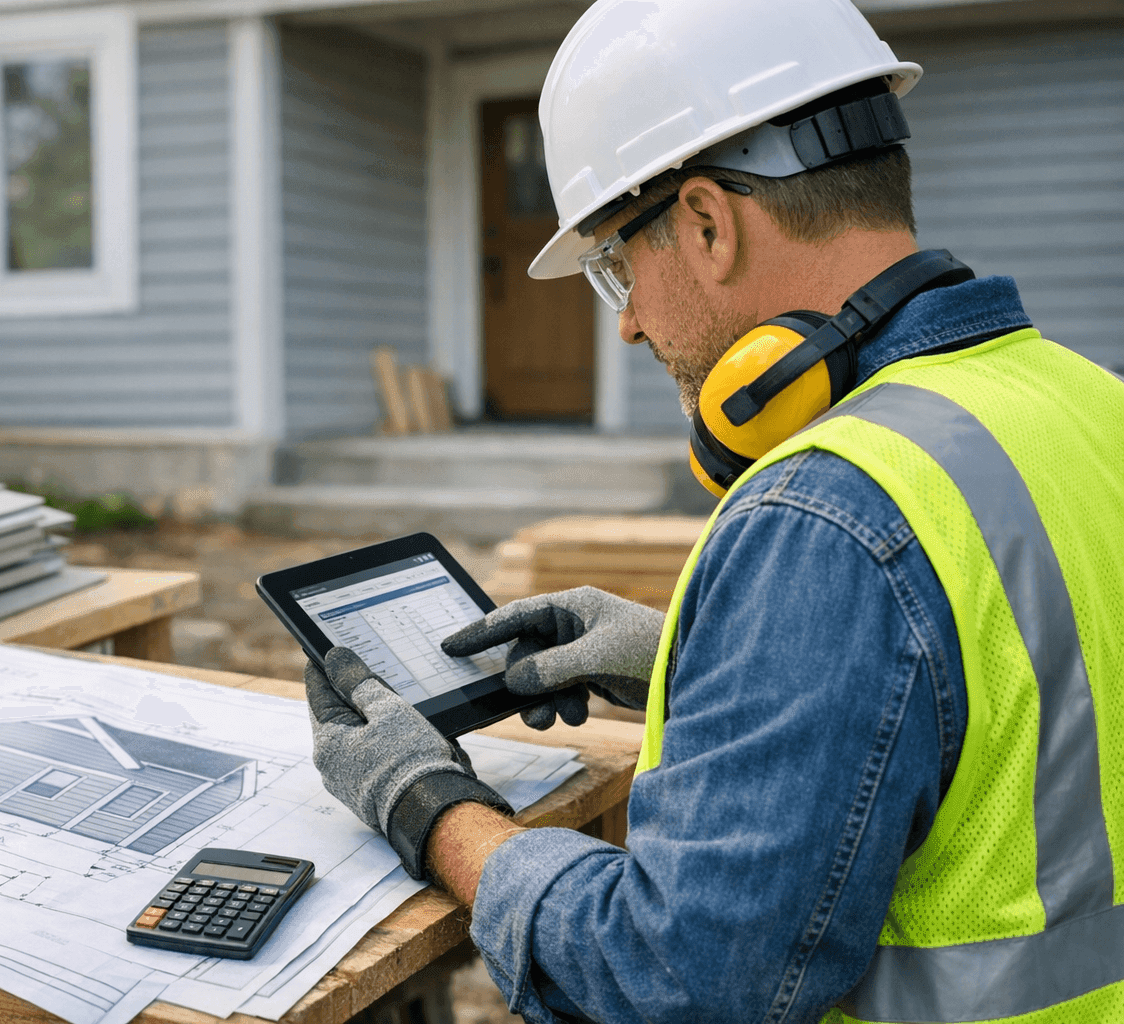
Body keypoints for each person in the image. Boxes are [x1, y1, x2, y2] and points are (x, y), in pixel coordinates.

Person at [302, 0, 1124, 1021]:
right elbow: (1032, 684)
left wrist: (429, 805)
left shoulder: (827, 515)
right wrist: (697, 655)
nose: (632, 324)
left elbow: (675, 981)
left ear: (705, 221)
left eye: (617, 267)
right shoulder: (1090, 400)